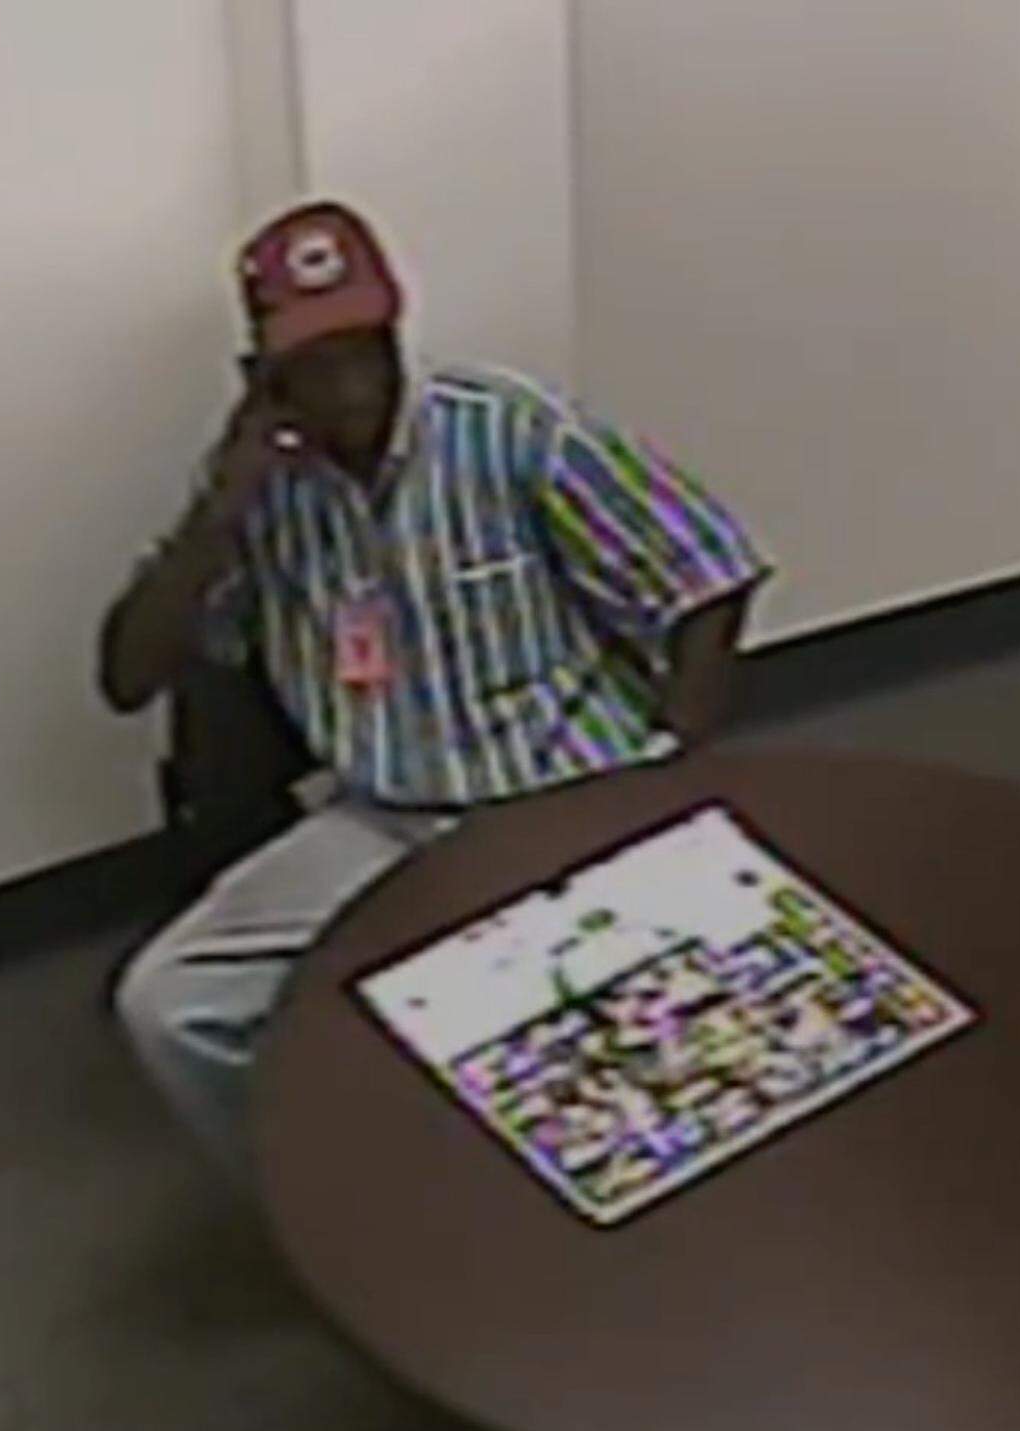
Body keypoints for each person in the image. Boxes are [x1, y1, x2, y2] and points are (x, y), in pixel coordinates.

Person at [100, 200, 770, 1177]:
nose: (345, 385)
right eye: (313, 363)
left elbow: (708, 571)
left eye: (362, 350)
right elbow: (128, 676)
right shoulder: (255, 487)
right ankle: (324, 1205)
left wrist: (674, 760)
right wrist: (220, 510)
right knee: (168, 1004)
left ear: (396, 333)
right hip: (386, 814)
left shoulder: (508, 426)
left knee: (580, 1036)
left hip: (564, 787)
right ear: (263, 371)